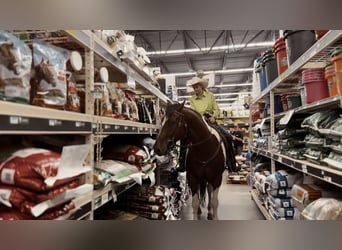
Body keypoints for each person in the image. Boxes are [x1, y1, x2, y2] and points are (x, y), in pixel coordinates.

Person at [177, 75, 238, 172]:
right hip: (198, 122)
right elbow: (194, 112)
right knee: (184, 138)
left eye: (197, 87)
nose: (195, 89)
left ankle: (231, 163)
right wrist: (200, 118)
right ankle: (182, 163)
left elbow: (217, 109)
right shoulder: (192, 99)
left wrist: (214, 116)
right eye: (194, 87)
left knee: (228, 137)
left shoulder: (210, 96)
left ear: (201, 86)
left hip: (210, 120)